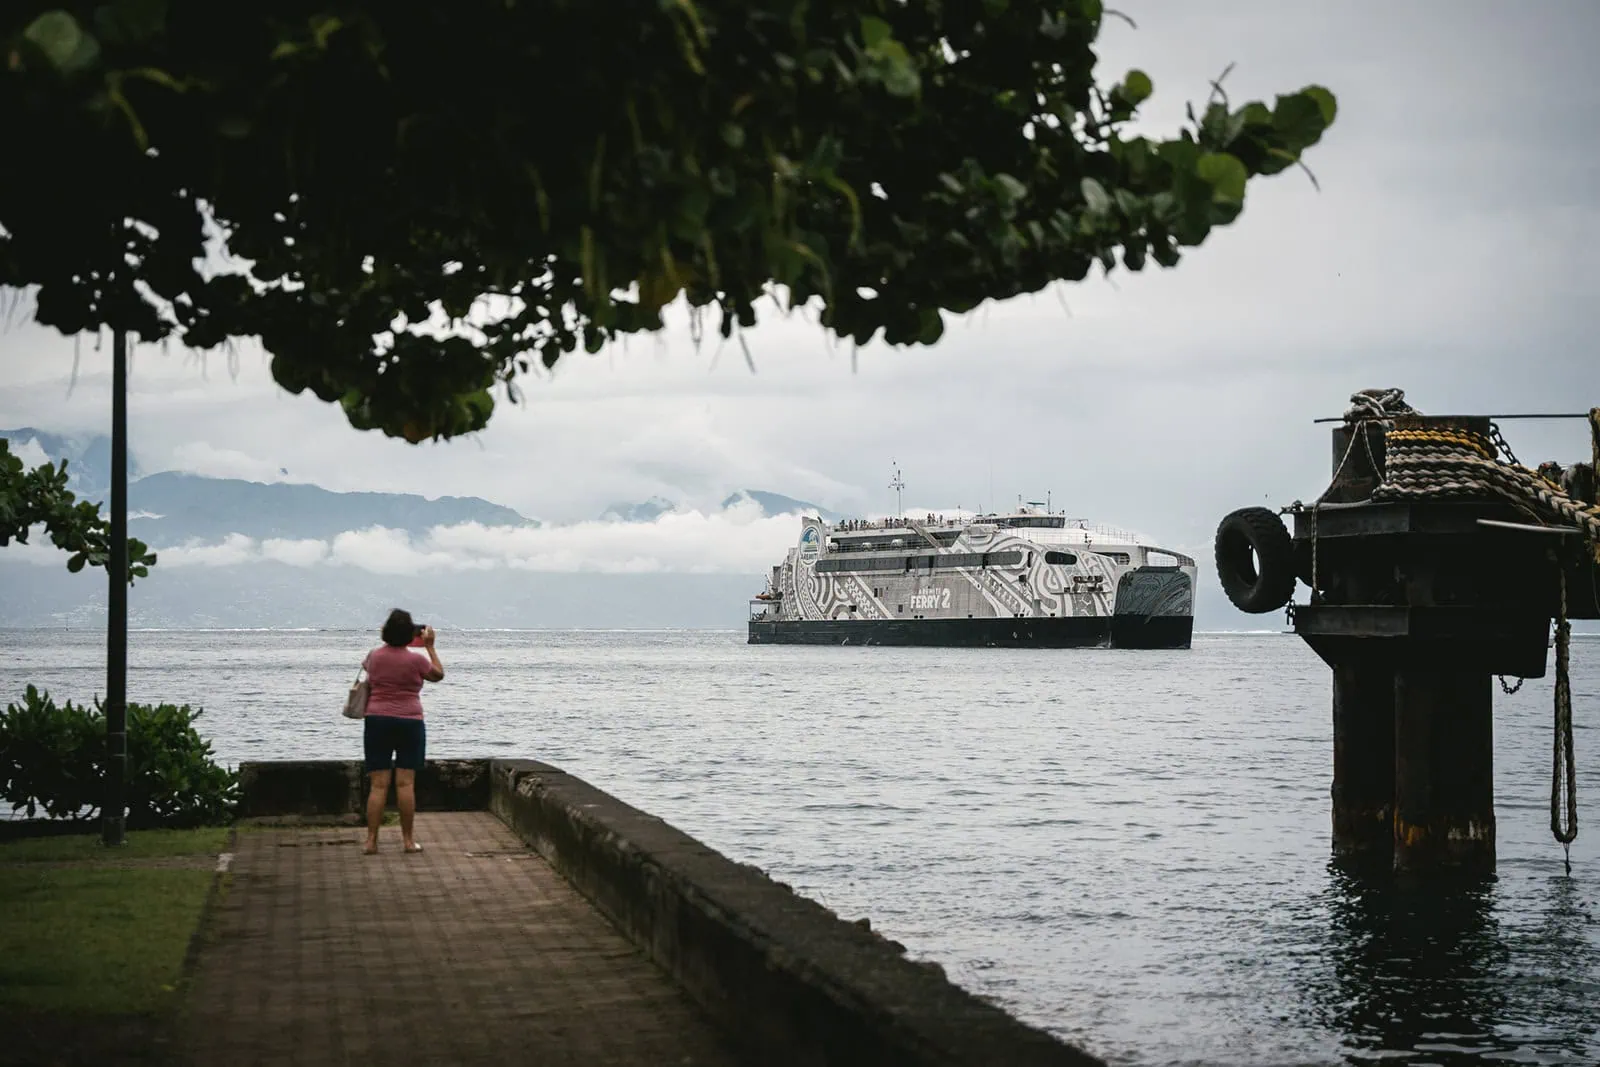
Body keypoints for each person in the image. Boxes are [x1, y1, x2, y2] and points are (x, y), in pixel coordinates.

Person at [361, 608, 444, 854]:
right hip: (409, 721)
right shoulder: (416, 660)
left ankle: (371, 841)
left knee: (378, 785)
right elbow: (438, 675)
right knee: (405, 784)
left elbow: (371, 674)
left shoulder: (373, 656)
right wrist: (429, 647)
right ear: (411, 634)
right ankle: (408, 841)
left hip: (377, 720)